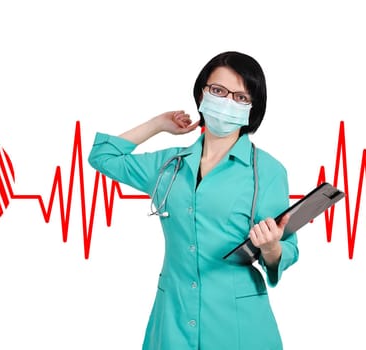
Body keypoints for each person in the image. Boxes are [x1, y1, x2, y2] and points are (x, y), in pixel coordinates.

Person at [87, 51, 298, 349]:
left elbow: (286, 250)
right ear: (202, 93)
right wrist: (158, 124)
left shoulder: (267, 171)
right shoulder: (169, 165)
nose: (227, 102)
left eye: (240, 97)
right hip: (173, 315)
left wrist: (272, 246)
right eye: (218, 91)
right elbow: (102, 156)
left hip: (237, 323)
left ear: (252, 108)